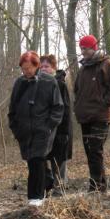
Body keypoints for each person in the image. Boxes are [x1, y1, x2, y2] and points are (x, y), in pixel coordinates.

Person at [9, 51, 63, 206]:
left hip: (43, 130)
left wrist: (48, 127)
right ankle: (45, 187)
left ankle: (36, 197)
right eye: (23, 69)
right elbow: (12, 108)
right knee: (31, 162)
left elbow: (58, 107)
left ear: (36, 65)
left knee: (37, 161)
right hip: (24, 131)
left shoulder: (48, 82)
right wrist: (15, 128)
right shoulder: (19, 83)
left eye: (29, 68)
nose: (26, 72)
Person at [74, 35, 110, 193]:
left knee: (95, 150)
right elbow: (77, 91)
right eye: (81, 48)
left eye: (86, 48)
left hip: (100, 117)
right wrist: (78, 107)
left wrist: (101, 104)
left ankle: (96, 187)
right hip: (84, 117)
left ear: (93, 48)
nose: (83, 51)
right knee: (90, 152)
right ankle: (98, 186)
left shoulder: (106, 64)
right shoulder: (82, 69)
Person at [39, 54, 72, 196]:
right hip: (45, 130)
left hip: (60, 130)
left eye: (46, 66)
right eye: (41, 67)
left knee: (59, 161)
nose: (43, 69)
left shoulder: (60, 84)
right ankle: (47, 187)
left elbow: (65, 111)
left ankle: (60, 189)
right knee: (45, 160)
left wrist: (64, 133)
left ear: (53, 68)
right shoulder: (38, 84)